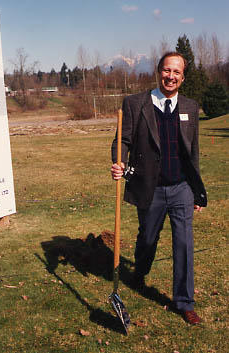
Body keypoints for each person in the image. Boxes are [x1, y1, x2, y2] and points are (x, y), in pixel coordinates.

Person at [111, 52, 207, 325]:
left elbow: (193, 152)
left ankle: (184, 301)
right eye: (167, 70)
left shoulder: (190, 106)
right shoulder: (136, 103)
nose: (171, 76)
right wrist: (119, 163)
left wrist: (197, 190)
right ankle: (139, 272)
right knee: (148, 239)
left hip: (181, 189)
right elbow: (122, 141)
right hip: (149, 189)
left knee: (184, 243)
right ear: (158, 71)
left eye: (177, 72)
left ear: (183, 77)